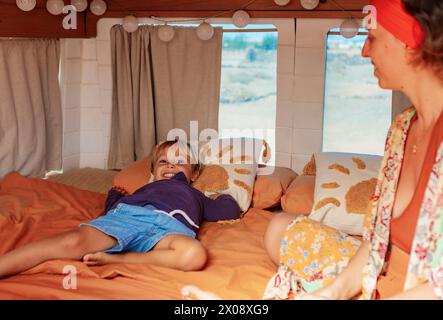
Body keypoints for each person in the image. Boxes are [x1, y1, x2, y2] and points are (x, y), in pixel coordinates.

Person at [264, 0, 443, 299]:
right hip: (381, 274)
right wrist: (330, 294)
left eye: (372, 38)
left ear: (411, 42)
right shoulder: (402, 128)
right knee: (278, 226)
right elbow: (374, 242)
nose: (364, 51)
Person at [0, 140, 242, 279]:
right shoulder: (145, 188)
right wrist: (115, 195)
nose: (171, 165)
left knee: (194, 254)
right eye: (163, 161)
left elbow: (227, 210)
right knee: (71, 241)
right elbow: (114, 208)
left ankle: (122, 259)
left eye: (181, 162)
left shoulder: (196, 194)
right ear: (153, 170)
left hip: (169, 231)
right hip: (128, 218)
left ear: (195, 173)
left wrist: (221, 194)